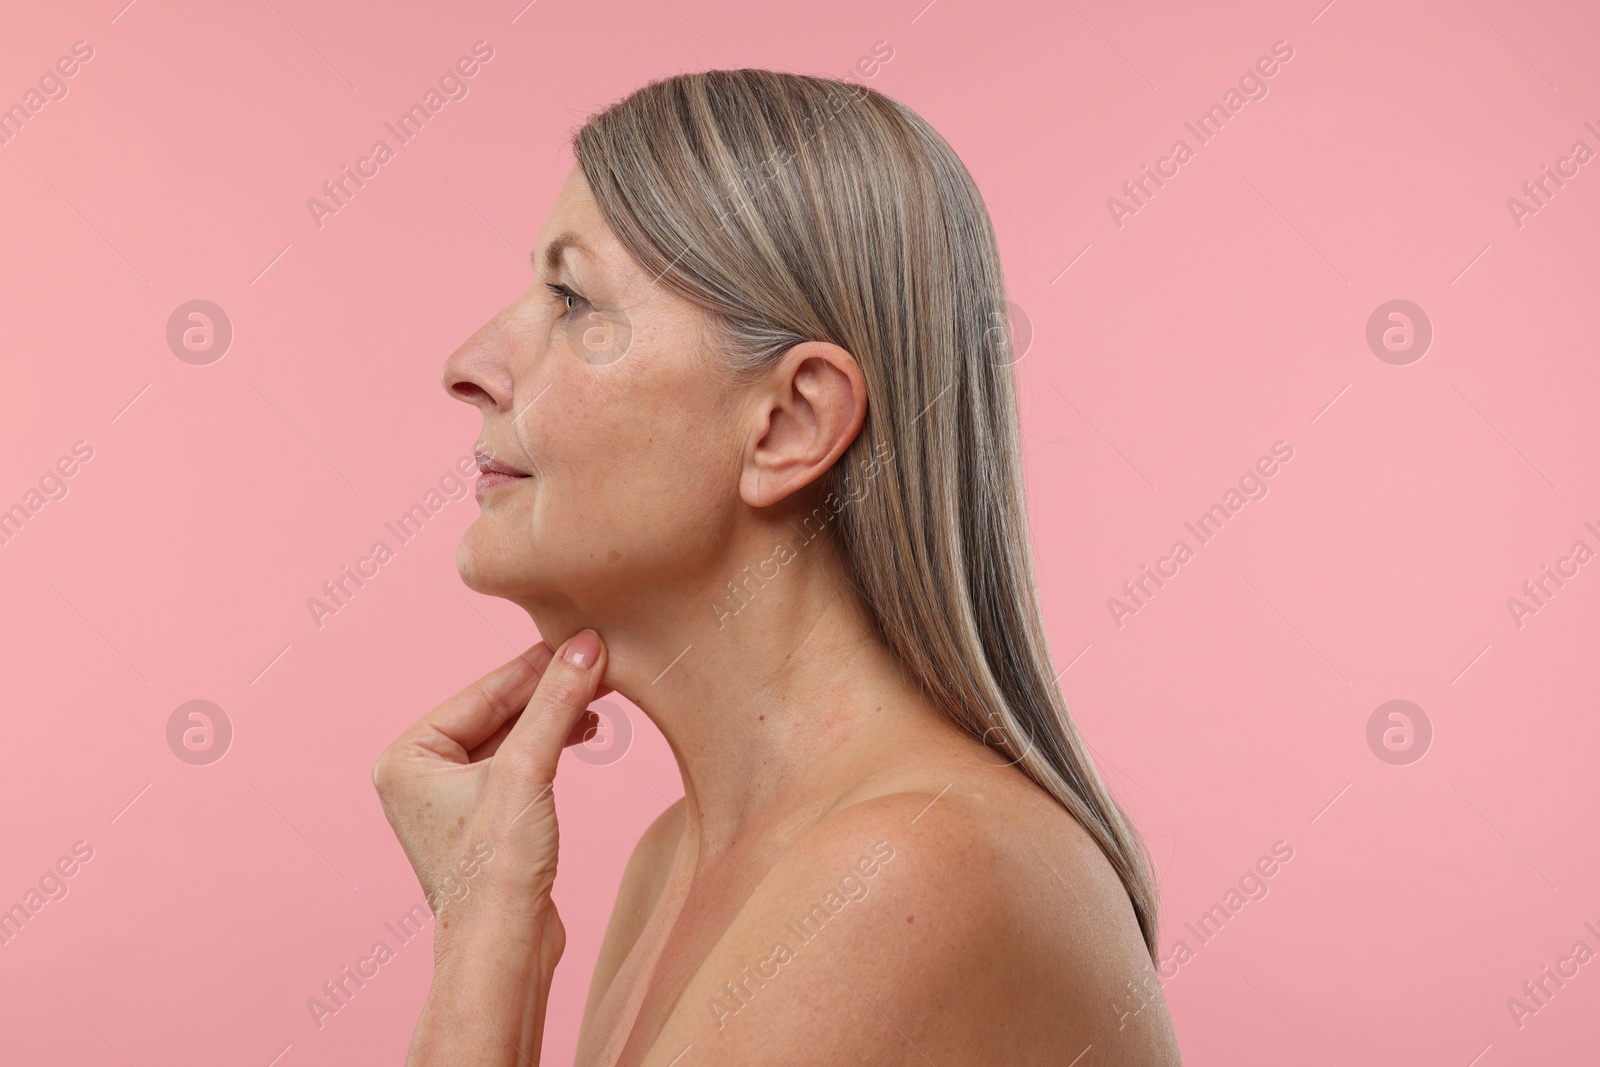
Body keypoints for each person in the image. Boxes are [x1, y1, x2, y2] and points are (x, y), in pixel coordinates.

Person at [373, 68, 1182, 1066]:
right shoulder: (673, 862)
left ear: (789, 422)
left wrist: (480, 944)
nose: (467, 363)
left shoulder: (905, 872)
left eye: (572, 298)